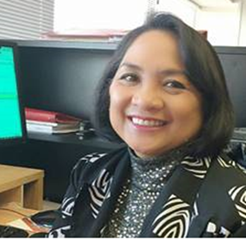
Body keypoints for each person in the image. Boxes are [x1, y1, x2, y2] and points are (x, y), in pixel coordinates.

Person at [48, 13, 246, 238]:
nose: (144, 100)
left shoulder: (237, 205)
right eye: (130, 77)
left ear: (208, 103)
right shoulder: (90, 172)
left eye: (174, 84)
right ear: (109, 88)